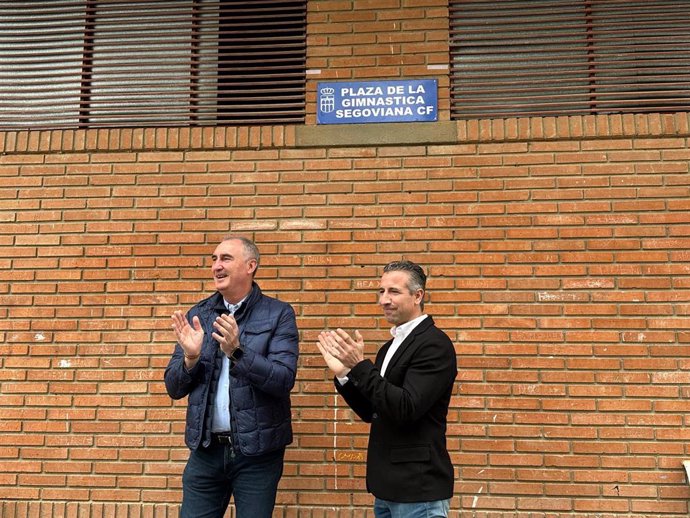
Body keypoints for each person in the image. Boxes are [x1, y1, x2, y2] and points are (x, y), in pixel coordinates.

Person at [164, 236, 299, 518]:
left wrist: (237, 353)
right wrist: (190, 358)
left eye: (225, 258)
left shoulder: (278, 314)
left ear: (251, 266)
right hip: (205, 451)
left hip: (257, 456)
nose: (216, 266)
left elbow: (283, 379)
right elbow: (174, 388)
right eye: (214, 259)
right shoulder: (200, 314)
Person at [317, 260, 457, 518]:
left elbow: (406, 408)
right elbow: (373, 411)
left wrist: (359, 366)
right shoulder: (389, 347)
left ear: (418, 296)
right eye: (381, 292)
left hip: (418, 490)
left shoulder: (434, 345)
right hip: (387, 489)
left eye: (394, 291)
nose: (384, 300)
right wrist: (345, 374)